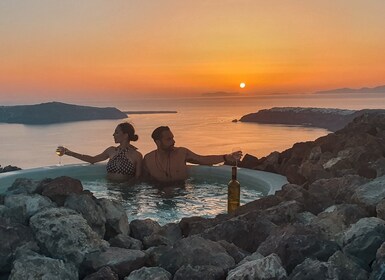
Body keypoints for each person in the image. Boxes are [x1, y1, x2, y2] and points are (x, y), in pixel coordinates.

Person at [143, 126, 242, 182]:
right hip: (158, 197)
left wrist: (227, 157)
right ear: (158, 142)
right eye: (169, 139)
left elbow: (203, 160)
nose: (173, 141)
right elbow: (141, 182)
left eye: (173, 138)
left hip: (181, 197)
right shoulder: (148, 159)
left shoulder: (181, 153)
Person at [56, 122, 142, 181]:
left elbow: (138, 179)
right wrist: (68, 152)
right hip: (110, 189)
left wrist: (126, 187)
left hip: (127, 191)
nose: (113, 135)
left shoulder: (136, 155)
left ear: (125, 135)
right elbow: (92, 159)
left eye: (116, 132)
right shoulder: (111, 150)